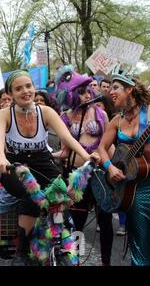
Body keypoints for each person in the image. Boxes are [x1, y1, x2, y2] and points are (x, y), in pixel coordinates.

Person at [0, 70, 100, 266]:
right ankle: (22, 251)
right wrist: (1, 157)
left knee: (58, 194)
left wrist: (87, 156)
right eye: (18, 88)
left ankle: (59, 242)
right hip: (15, 164)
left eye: (28, 86)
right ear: (10, 94)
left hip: (42, 160)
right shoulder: (4, 114)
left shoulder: (46, 112)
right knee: (29, 195)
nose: (25, 91)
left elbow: (67, 137)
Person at [52, 65, 113, 266]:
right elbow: (65, 152)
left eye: (88, 91)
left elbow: (107, 146)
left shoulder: (100, 115)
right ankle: (75, 260)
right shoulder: (65, 118)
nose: (87, 95)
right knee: (76, 223)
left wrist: (105, 160)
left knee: (104, 221)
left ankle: (106, 261)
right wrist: (46, 155)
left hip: (99, 175)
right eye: (81, 92)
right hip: (76, 177)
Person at [97, 66, 150, 266]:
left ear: (130, 89)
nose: (110, 91)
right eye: (109, 87)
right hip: (134, 190)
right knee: (140, 245)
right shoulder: (116, 121)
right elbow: (102, 148)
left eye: (116, 87)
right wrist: (110, 167)